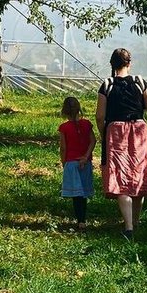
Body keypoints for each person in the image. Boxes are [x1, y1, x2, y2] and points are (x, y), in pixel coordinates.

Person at [96, 48, 147, 239]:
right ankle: (136, 220)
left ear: (112, 64)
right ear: (129, 63)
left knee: (120, 176)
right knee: (138, 174)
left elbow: (100, 116)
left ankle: (128, 227)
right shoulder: (140, 82)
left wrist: (104, 135)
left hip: (116, 132)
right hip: (139, 130)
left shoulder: (107, 85)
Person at [58, 96, 95, 225]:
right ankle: (83, 220)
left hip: (71, 163)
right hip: (85, 162)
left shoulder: (64, 127)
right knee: (83, 193)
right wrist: (86, 156)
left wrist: (64, 162)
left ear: (64, 111)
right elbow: (93, 141)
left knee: (76, 195)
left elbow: (63, 147)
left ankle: (80, 220)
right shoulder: (87, 124)